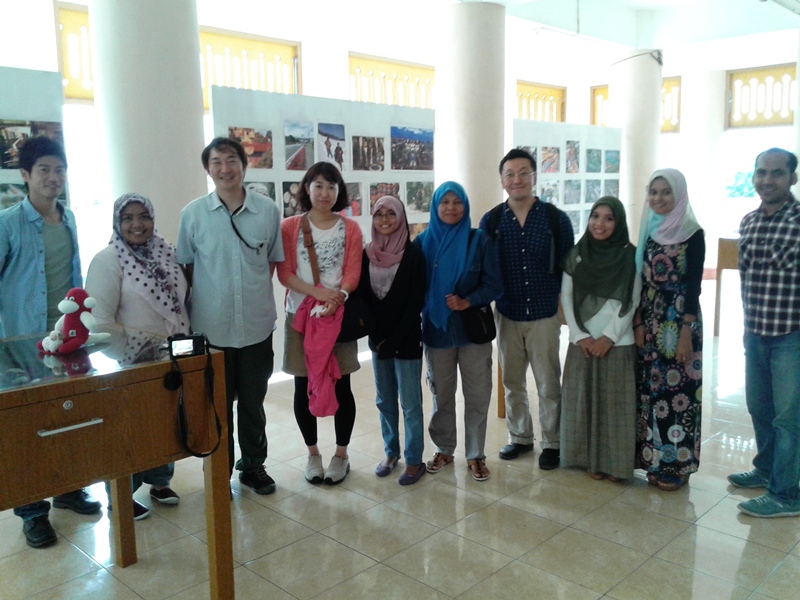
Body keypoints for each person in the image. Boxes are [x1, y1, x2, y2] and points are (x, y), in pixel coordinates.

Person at [0, 136, 101, 548]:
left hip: (64, 342)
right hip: (19, 342)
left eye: (59, 169)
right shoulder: (8, 223)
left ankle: (68, 489)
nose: (53, 177)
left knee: (66, 417)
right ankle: (32, 511)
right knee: (25, 429)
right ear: (26, 175)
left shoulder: (69, 218)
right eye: (43, 169)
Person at [177, 137, 284, 495]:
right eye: (217, 162)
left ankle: (253, 466)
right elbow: (187, 268)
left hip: (256, 326)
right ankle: (218, 471)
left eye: (231, 160)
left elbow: (271, 262)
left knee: (253, 403)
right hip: (212, 330)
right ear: (208, 169)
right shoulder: (193, 214)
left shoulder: (267, 210)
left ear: (244, 165)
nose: (225, 168)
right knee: (216, 405)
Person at [85, 193, 190, 518]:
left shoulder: (166, 253)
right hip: (131, 362)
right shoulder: (107, 260)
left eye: (143, 216)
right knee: (130, 429)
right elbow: (99, 323)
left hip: (171, 357)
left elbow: (182, 303)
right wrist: (146, 346)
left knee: (166, 421)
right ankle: (121, 494)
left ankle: (160, 481)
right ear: (117, 222)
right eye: (127, 218)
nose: (137, 224)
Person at [479, 148, 574, 470]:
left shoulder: (555, 219)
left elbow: (568, 268)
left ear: (534, 177)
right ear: (502, 180)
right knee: (513, 382)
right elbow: (484, 267)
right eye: (510, 174)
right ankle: (520, 437)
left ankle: (552, 442)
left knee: (548, 383)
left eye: (523, 173)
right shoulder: (491, 221)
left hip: (544, 314)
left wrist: (563, 309)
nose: (516, 179)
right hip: (507, 313)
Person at [277, 162, 362, 486]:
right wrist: (319, 294)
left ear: (339, 191)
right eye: (318, 185)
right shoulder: (290, 227)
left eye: (331, 186)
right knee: (303, 385)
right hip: (300, 318)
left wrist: (337, 298)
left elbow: (352, 272)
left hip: (337, 318)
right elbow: (285, 273)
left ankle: (341, 455)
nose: (325, 193)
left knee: (342, 385)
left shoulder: (350, 228)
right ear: (307, 188)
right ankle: (313, 454)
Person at [729, 148, 800, 517]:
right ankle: (767, 468)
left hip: (791, 336)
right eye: (761, 172)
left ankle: (787, 494)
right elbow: (747, 280)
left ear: (792, 178)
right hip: (756, 332)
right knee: (759, 407)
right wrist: (746, 329)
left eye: (776, 173)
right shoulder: (750, 221)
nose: (767, 180)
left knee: (788, 418)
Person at [416, 181, 502, 481]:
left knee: (477, 393)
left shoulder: (479, 240)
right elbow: (413, 287)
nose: (451, 208)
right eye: (445, 202)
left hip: (471, 331)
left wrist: (468, 300)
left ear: (465, 205)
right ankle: (444, 448)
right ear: (435, 206)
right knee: (442, 393)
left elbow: (494, 284)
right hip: (436, 331)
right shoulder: (422, 242)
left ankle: (476, 454)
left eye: (457, 202)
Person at [633, 168, 704, 492]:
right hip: (650, 320)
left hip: (680, 322)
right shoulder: (649, 229)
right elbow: (639, 278)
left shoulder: (693, 233)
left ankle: (678, 464)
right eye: (653, 192)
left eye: (665, 192)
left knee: (679, 396)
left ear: (679, 194)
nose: (658, 198)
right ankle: (654, 460)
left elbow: (693, 286)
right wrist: (638, 321)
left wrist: (686, 331)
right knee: (651, 394)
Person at [560, 196, 640, 481]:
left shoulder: (631, 255)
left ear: (618, 223)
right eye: (595, 216)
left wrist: (609, 337)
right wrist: (580, 335)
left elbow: (631, 300)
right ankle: (588, 461)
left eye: (609, 218)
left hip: (617, 343)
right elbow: (566, 296)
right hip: (582, 343)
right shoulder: (577, 253)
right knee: (582, 403)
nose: (600, 223)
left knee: (615, 407)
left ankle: (616, 465)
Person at [362, 196, 427, 485]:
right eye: (379, 214)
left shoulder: (413, 255)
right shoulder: (366, 254)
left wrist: (394, 340)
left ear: (401, 218)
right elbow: (363, 299)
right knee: (385, 400)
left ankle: (414, 460)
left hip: (407, 340)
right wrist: (377, 337)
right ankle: (391, 453)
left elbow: (415, 304)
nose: (385, 219)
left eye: (391, 213)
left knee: (410, 404)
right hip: (379, 342)